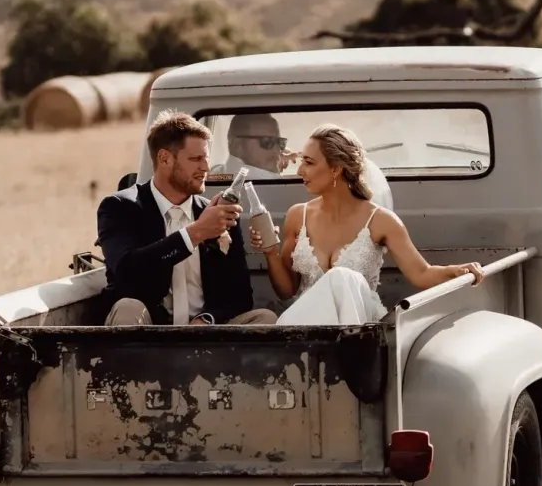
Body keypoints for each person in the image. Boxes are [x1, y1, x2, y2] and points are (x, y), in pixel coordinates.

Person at [269, 124, 482, 326]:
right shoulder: (298, 215)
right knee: (339, 279)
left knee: (343, 278)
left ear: (336, 169)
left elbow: (422, 273)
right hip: (308, 328)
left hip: (361, 326)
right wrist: (270, 252)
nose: (300, 171)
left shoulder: (381, 221)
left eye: (309, 162)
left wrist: (455, 271)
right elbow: (287, 291)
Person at [99, 110, 278, 326]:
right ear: (164, 158)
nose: (205, 167)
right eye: (195, 159)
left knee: (265, 319)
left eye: (206, 159)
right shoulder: (121, 207)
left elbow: (241, 297)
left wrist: (208, 319)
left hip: (206, 334)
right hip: (147, 332)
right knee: (128, 307)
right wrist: (196, 233)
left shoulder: (218, 213)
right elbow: (127, 273)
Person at [218, 111, 291, 180]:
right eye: (267, 141)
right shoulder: (265, 179)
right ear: (238, 146)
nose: (277, 150)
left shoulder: (217, 173)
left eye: (279, 142)